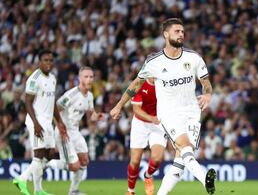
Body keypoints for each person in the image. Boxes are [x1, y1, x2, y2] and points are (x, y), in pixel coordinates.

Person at [110, 18, 216, 195]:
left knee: (181, 161)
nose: (181, 34)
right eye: (177, 31)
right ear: (166, 34)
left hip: (192, 111)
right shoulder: (154, 62)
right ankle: (205, 179)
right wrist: (119, 105)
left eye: (182, 31)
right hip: (169, 113)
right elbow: (135, 84)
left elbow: (206, 82)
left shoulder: (194, 58)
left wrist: (208, 94)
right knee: (185, 146)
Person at [13, 49, 69, 195]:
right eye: (46, 60)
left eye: (51, 60)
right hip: (36, 121)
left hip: (48, 122)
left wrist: (60, 122)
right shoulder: (34, 78)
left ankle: (30, 184)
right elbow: (27, 101)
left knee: (49, 155)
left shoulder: (52, 78)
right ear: (39, 62)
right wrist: (36, 123)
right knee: (39, 155)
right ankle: (27, 183)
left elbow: (52, 103)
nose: (49, 63)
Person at [46, 67, 105, 195]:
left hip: (75, 132)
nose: (89, 79)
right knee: (74, 166)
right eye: (86, 76)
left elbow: (91, 113)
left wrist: (97, 116)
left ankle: (73, 191)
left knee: (84, 160)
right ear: (79, 78)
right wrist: (60, 126)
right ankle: (44, 164)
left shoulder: (89, 96)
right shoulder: (71, 95)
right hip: (64, 132)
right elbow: (54, 108)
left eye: (91, 76)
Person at [126, 78, 167, 195]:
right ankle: (130, 191)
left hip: (158, 123)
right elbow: (136, 109)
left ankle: (148, 176)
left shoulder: (165, 83)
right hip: (140, 124)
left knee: (157, 159)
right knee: (135, 161)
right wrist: (151, 118)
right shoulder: (140, 84)